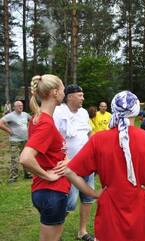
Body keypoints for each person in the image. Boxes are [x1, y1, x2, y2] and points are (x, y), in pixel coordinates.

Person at [64, 91, 145, 241]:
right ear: (135, 111)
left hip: (109, 208)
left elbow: (69, 171)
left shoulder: (98, 140)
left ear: (114, 110)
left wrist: (93, 193)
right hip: (141, 207)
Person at [19, 74, 70, 241]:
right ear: (55, 92)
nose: (65, 92)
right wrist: (48, 175)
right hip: (52, 191)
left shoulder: (38, 119)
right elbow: (26, 158)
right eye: (63, 88)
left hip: (45, 191)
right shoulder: (45, 123)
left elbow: (48, 152)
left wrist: (66, 159)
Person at [53, 84, 95, 241]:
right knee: (69, 203)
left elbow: (90, 133)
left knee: (88, 198)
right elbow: (54, 138)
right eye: (80, 95)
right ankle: (54, 232)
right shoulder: (58, 112)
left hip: (88, 164)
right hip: (68, 166)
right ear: (70, 97)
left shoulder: (84, 113)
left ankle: (82, 231)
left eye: (83, 95)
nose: (83, 98)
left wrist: (94, 153)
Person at [0, 100, 32, 182]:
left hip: (25, 140)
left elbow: (32, 121)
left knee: (25, 157)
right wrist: (9, 131)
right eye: (18, 106)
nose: (20, 107)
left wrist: (29, 129)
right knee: (15, 159)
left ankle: (27, 174)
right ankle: (13, 177)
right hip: (15, 141)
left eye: (21, 105)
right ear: (14, 107)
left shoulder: (25, 114)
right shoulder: (10, 116)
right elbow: (1, 123)